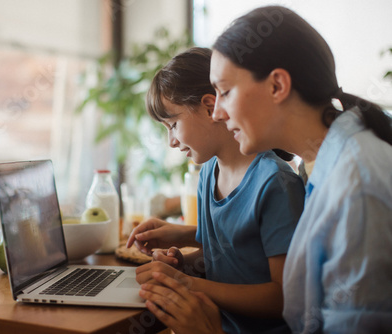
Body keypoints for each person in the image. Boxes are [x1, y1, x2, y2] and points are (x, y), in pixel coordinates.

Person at [143, 5, 392, 333]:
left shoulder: (356, 185)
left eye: (225, 92)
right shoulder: (323, 168)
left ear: (277, 86)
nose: (216, 112)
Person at [127, 47, 306, 334]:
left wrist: (188, 283)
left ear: (211, 108)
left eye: (173, 124)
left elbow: (283, 297)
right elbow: (232, 261)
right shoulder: (209, 173)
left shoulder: (275, 184)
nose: (171, 141)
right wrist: (181, 264)